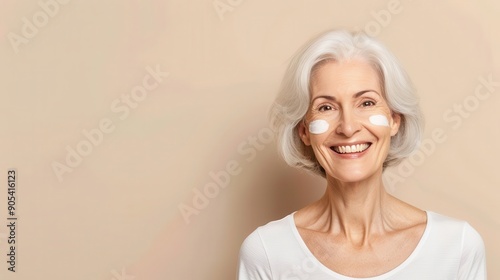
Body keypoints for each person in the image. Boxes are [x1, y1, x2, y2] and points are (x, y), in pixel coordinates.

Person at [237, 30, 487, 279]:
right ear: (304, 131)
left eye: (366, 103)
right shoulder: (267, 252)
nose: (348, 127)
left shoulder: (456, 246)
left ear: (393, 120)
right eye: (326, 107)